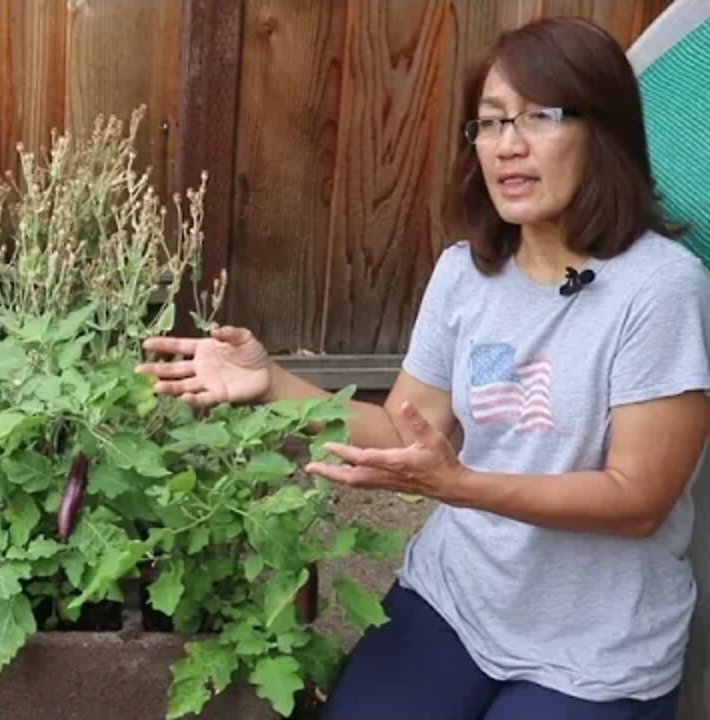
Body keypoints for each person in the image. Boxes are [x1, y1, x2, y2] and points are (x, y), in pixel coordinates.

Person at [137, 16, 709, 720]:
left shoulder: (659, 286)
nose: (509, 146)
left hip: (595, 648)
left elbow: (637, 502)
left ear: (607, 131)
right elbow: (407, 429)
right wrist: (272, 384)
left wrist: (464, 487)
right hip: (457, 599)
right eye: (490, 123)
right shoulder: (465, 274)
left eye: (541, 118)